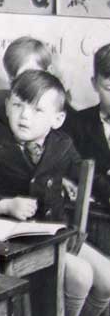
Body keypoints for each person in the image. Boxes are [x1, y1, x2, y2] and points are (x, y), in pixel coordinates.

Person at [0, 70, 110, 316]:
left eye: (37, 109)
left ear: (57, 119)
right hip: (21, 247)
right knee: (80, 276)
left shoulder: (61, 144)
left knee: (107, 281)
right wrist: (4, 204)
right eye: (18, 105)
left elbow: (86, 175)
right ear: (7, 106)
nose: (24, 116)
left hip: (58, 236)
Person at [63, 43, 110, 203]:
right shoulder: (76, 124)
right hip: (93, 215)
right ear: (94, 84)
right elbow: (71, 168)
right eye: (109, 88)